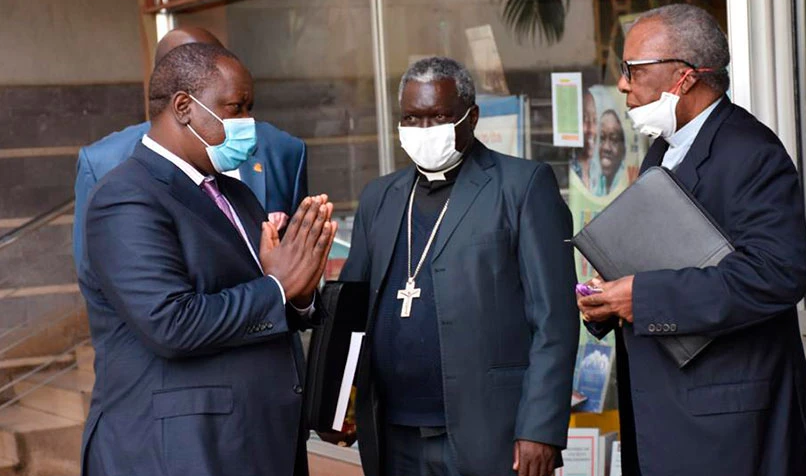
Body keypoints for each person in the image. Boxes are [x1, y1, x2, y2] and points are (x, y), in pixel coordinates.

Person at [576, 4, 806, 476]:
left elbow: (776, 274)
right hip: (667, 416)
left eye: (632, 70)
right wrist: (611, 300)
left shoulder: (753, 153)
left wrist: (643, 297)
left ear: (684, 77)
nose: (623, 85)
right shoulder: (663, 150)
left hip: (725, 427)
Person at [79, 43, 336, 476]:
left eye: (250, 108)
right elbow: (170, 323)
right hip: (182, 450)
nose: (248, 123)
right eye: (235, 108)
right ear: (183, 107)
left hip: (258, 441)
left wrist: (300, 294)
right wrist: (277, 289)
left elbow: (270, 299)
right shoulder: (127, 196)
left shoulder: (233, 192)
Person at [339, 57, 578, 476]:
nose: (424, 129)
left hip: (489, 434)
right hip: (392, 433)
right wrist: (337, 403)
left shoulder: (522, 186)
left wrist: (541, 427)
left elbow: (554, 320)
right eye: (412, 117)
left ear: (471, 117)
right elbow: (351, 312)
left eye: (439, 116)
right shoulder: (380, 197)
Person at [72, 26, 309, 276]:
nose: (246, 121)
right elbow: (95, 274)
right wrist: (275, 290)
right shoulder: (103, 163)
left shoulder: (281, 149)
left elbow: (297, 260)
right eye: (192, 63)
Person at [571, 90, 599, 192]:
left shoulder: (612, 170)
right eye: (584, 118)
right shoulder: (563, 167)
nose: (590, 129)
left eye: (596, 120)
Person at [596, 109, 626, 196]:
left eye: (614, 139)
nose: (606, 147)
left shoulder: (626, 185)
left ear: (623, 149)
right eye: (602, 138)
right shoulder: (599, 183)